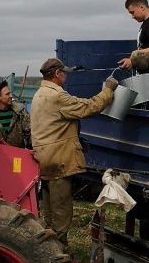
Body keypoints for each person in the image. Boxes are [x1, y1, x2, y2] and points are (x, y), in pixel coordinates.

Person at [30, 57, 117, 247]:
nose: (66, 76)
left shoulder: (39, 94)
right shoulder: (57, 96)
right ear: (57, 74)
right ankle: (59, 253)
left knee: (49, 212)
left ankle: (47, 248)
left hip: (43, 159)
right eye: (64, 73)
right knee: (61, 212)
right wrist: (108, 90)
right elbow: (88, 108)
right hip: (59, 160)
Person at [0, 79, 31, 148]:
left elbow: (30, 133)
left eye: (10, 93)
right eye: (7, 94)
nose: (11, 96)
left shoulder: (20, 111)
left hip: (18, 156)